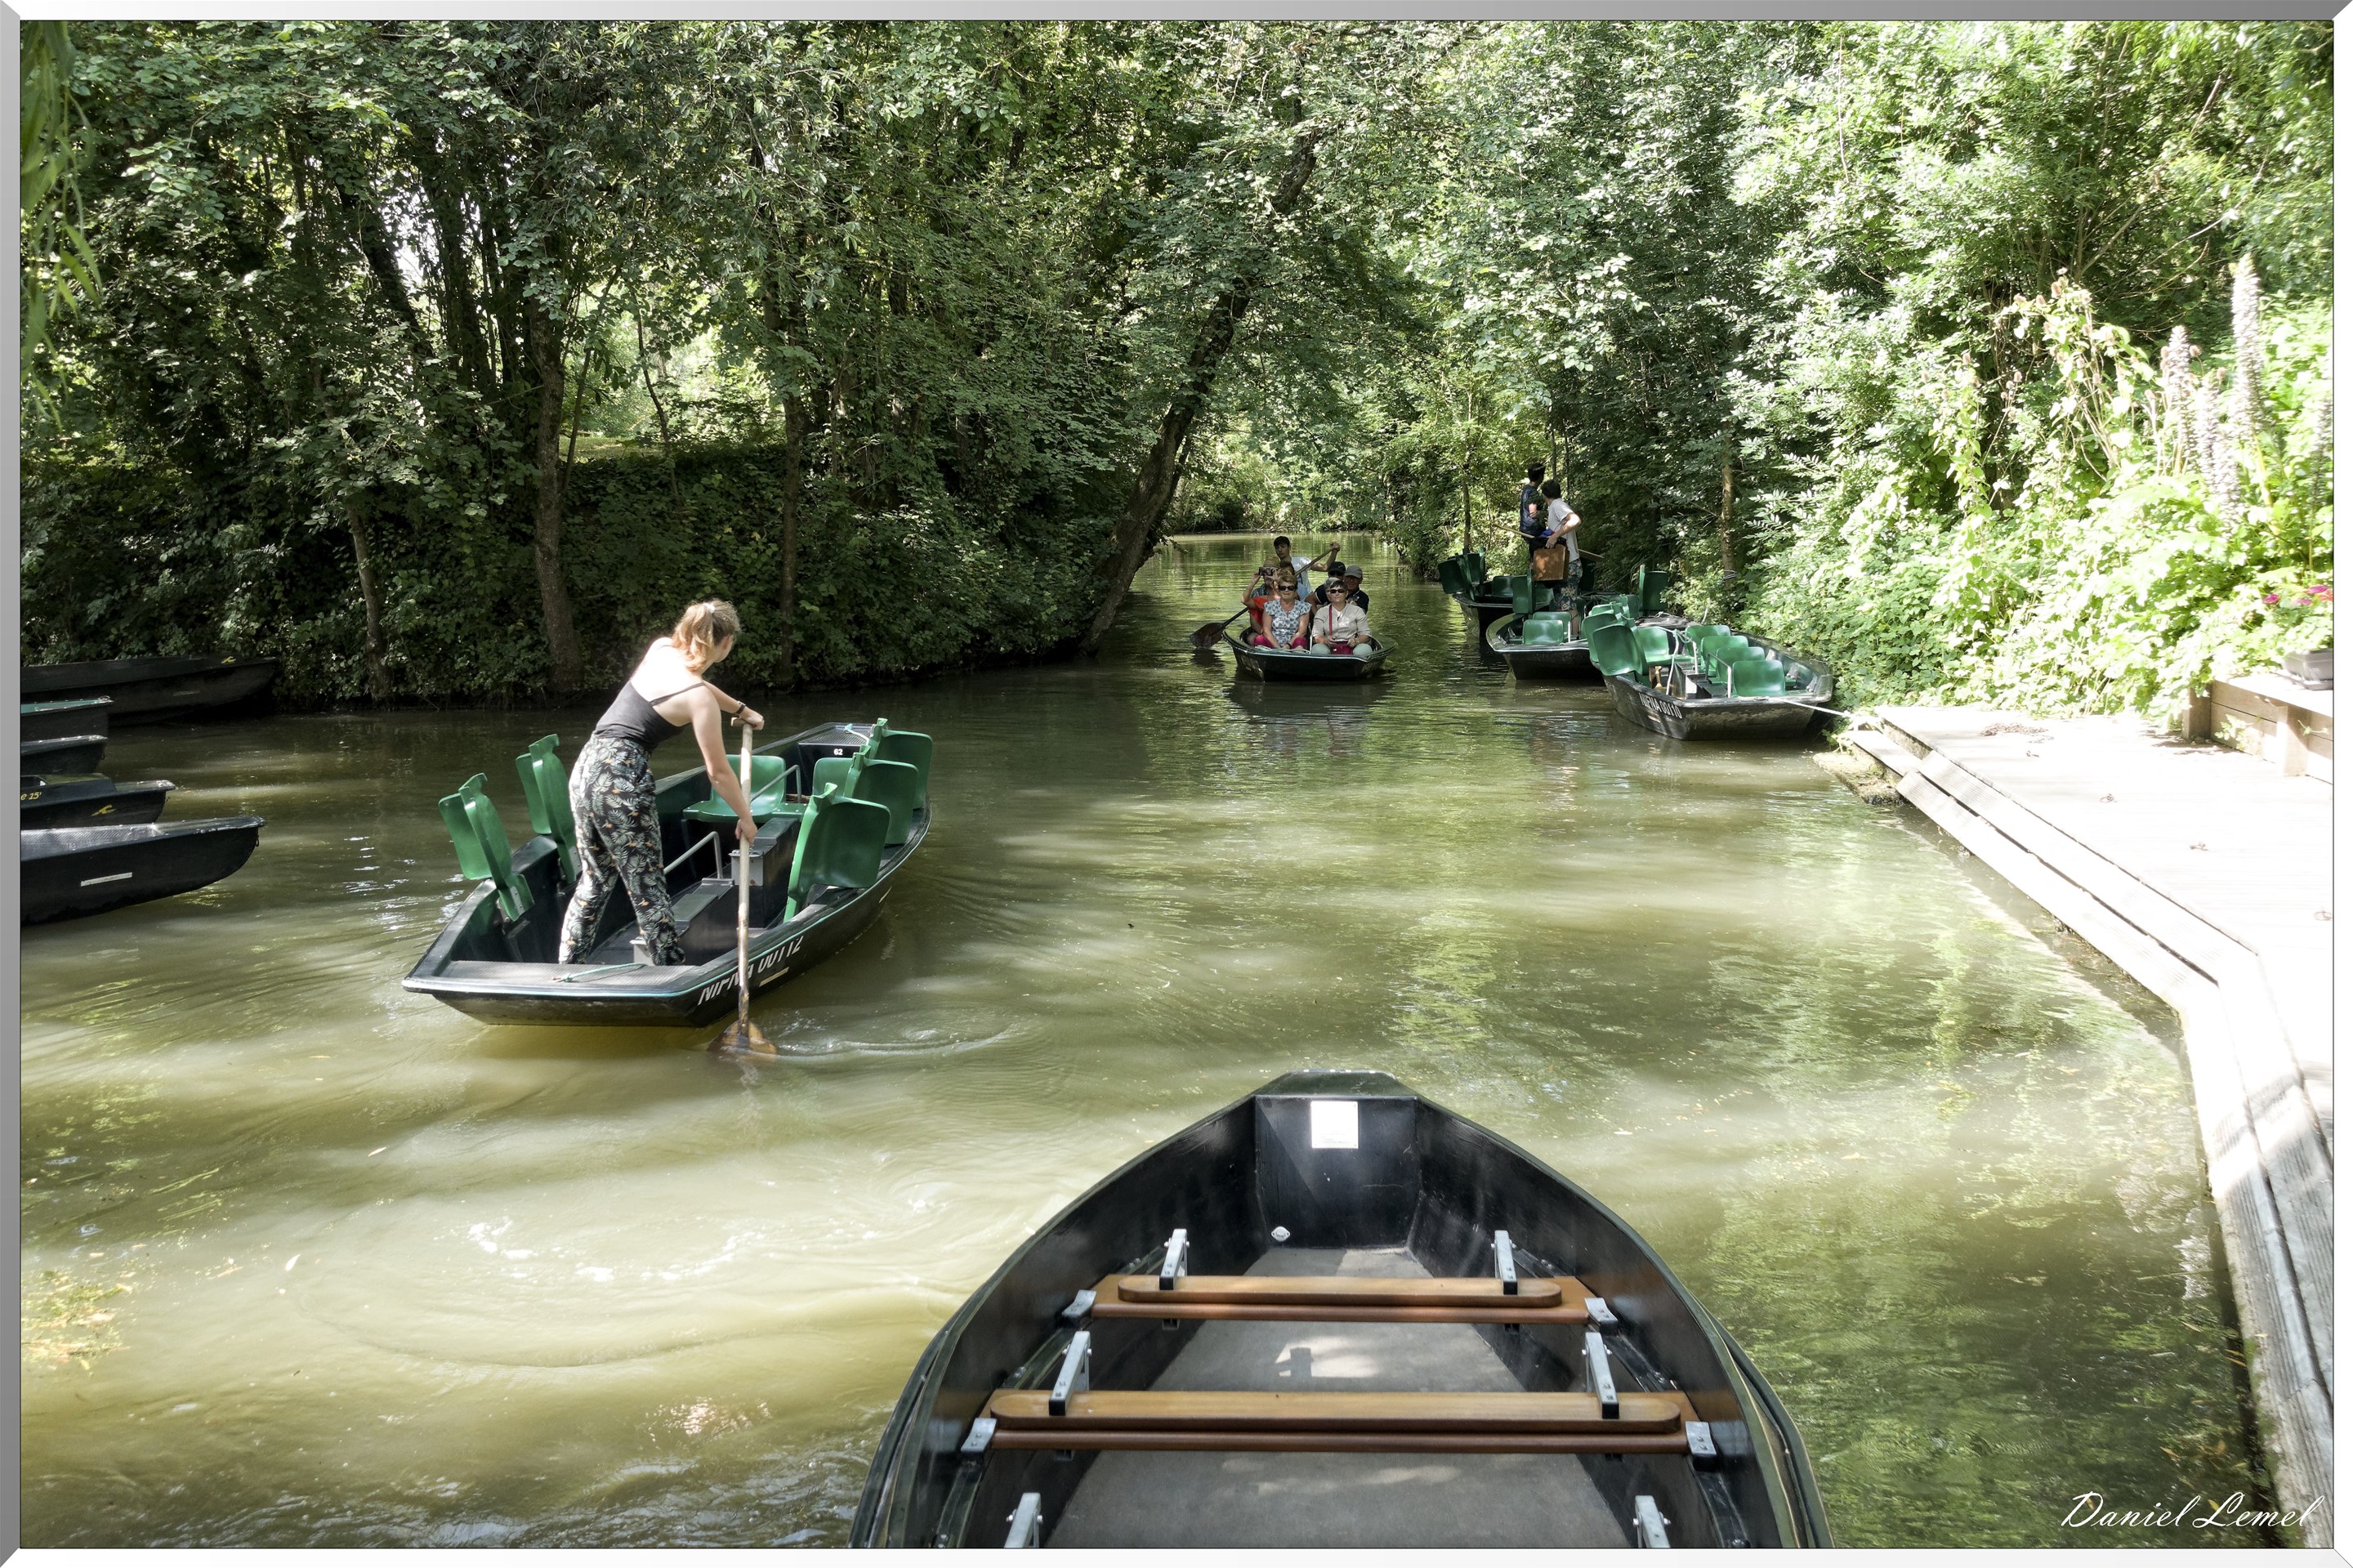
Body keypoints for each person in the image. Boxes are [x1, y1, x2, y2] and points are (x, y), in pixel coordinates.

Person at [559, 600, 766, 967]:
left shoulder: (661, 649)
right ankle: (670, 973)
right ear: (726, 643)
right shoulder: (698, 699)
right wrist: (746, 817)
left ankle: (566, 968)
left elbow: (697, 683)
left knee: (596, 881)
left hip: (587, 766)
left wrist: (740, 709)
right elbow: (718, 773)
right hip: (621, 778)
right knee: (648, 887)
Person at [1309, 576, 1374, 657]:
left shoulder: (1357, 611)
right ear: (1330, 595)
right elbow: (1316, 637)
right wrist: (1325, 640)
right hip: (1329, 647)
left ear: (1346, 593)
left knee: (1365, 649)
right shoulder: (1321, 612)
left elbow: (1366, 635)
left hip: (1353, 646)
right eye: (1333, 591)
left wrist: (1356, 641)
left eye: (1340, 591)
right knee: (1317, 649)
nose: (1337, 593)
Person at [1539, 478, 1583, 597]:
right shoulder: (1555, 507)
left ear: (1544, 495)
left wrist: (1555, 536)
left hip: (1569, 565)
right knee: (1561, 607)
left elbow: (1575, 520)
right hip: (1561, 565)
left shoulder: (1557, 505)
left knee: (1568, 608)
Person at [1252, 569, 1311, 648]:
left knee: (1301, 641)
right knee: (1259, 639)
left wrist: (1287, 646)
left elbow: (1302, 632)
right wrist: (1279, 649)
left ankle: (1296, 658)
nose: (1286, 590)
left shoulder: (1303, 607)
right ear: (1279, 590)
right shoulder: (1269, 606)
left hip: (1293, 644)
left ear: (1295, 591)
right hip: (1273, 644)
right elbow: (1267, 631)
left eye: (1290, 588)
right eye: (1283, 588)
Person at [1517, 462, 1547, 560]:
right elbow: (1533, 513)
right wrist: (1548, 513)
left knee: (1535, 554)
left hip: (1526, 527)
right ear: (1540, 477)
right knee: (1539, 554)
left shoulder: (1527, 489)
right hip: (1533, 530)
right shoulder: (1532, 492)